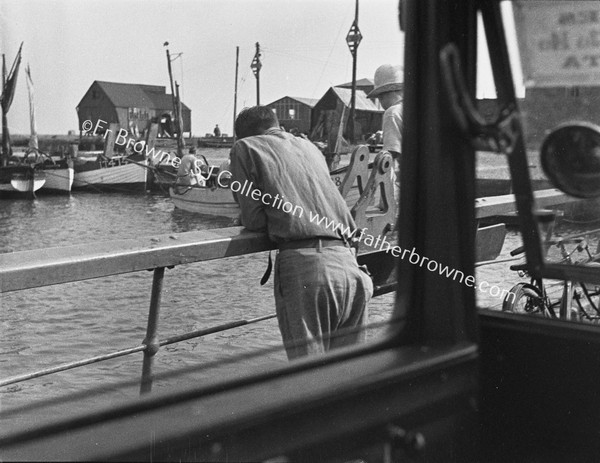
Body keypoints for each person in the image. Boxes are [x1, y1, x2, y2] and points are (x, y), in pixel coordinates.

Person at [229, 106, 373, 360]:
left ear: (243, 135)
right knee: (348, 381)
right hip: (350, 267)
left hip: (308, 270)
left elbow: (253, 219)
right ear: (278, 125)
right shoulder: (309, 147)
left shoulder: (246, 147)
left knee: (310, 381)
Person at [368, 64, 403, 205]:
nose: (380, 103)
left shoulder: (392, 113)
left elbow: (388, 161)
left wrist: (385, 202)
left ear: (387, 93)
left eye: (380, 98)